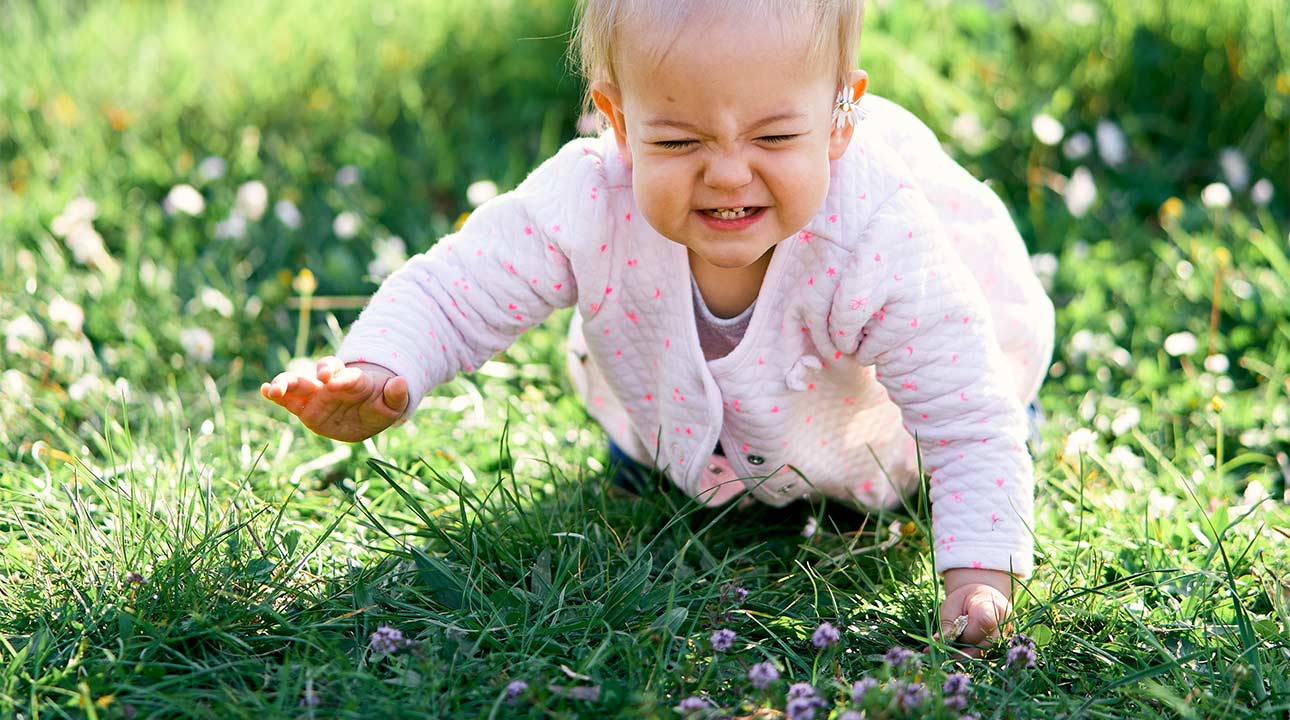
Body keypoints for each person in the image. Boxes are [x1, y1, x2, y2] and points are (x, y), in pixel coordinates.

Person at [261, 0, 1054, 654]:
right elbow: (461, 285)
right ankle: (678, 463)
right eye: (678, 140)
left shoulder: (875, 234)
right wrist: (381, 363)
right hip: (666, 416)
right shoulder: (590, 196)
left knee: (971, 436)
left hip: (871, 442)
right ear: (616, 119)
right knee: (651, 466)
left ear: (842, 117)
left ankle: (977, 487)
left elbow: (964, 412)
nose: (729, 172)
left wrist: (982, 575)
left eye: (775, 137)